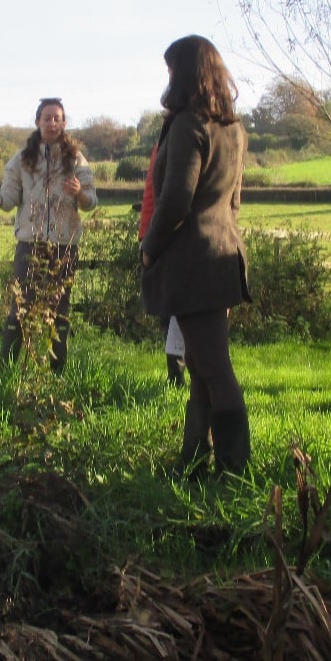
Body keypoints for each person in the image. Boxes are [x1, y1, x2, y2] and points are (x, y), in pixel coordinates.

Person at [141, 35, 251, 476]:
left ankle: (234, 469)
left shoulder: (189, 124)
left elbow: (174, 201)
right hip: (224, 254)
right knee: (203, 367)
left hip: (194, 263)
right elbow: (235, 201)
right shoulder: (233, 127)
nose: (167, 79)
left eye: (171, 70)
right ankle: (193, 459)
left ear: (184, 73)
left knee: (215, 369)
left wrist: (150, 249)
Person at [0, 97, 98, 373]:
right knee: (19, 308)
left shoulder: (76, 160)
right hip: (30, 244)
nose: (52, 122)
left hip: (64, 246)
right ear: (37, 121)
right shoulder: (21, 159)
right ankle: (5, 371)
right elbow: (7, 200)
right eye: (47, 117)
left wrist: (79, 193)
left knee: (60, 311)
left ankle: (56, 372)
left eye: (57, 118)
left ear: (64, 123)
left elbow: (92, 203)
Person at [139, 139, 186, 386]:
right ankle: (175, 375)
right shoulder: (161, 143)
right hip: (161, 239)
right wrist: (145, 236)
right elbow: (151, 194)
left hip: (193, 241)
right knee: (169, 312)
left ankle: (197, 377)